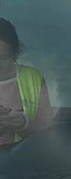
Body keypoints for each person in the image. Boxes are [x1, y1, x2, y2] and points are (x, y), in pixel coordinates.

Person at [0, 17, 51, 146]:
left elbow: (47, 130)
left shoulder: (33, 78)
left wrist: (24, 123)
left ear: (15, 54)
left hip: (24, 161)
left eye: (2, 58)